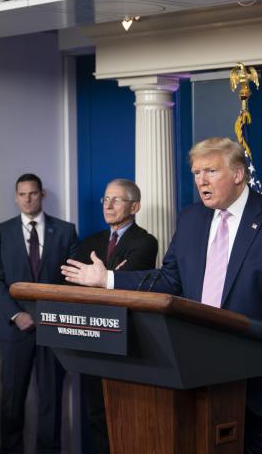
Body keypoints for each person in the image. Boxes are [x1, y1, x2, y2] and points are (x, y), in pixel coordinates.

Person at [62, 138, 262, 454]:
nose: (201, 180)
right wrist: (108, 278)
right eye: (197, 172)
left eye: (210, 171)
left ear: (238, 174)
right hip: (204, 380)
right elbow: (169, 279)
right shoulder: (191, 219)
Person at [0, 173, 78, 454]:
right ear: (16, 197)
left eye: (33, 193)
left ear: (42, 195)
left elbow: (71, 279)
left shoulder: (65, 231)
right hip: (13, 329)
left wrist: (47, 315)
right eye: (22, 194)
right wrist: (17, 316)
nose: (27, 198)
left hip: (53, 328)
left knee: (50, 401)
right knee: (12, 401)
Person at [73, 178, 158, 454]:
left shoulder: (145, 242)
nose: (108, 205)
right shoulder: (91, 242)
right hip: (91, 336)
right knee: (96, 413)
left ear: (135, 206)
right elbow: (72, 282)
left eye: (116, 200)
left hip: (126, 338)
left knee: (125, 415)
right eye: (105, 199)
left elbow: (125, 280)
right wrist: (109, 276)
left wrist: (100, 278)